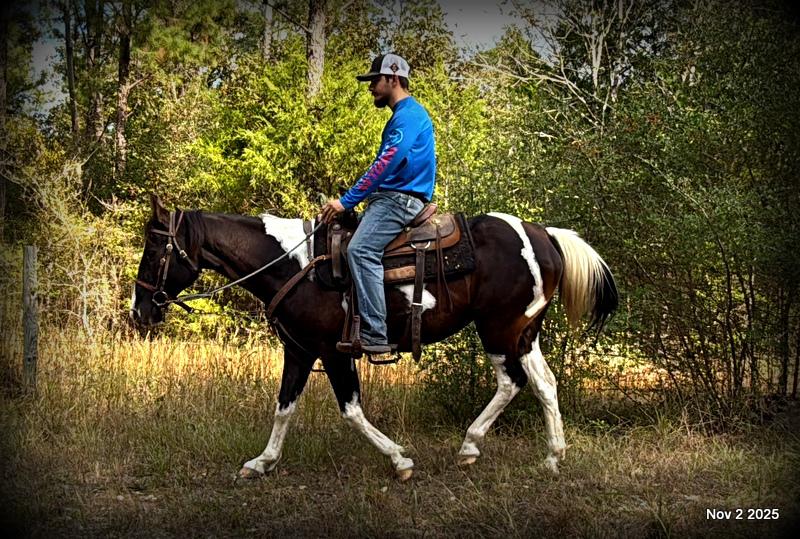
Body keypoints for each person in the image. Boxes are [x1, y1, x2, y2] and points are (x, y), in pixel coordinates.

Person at [320, 53, 437, 355]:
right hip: (392, 198)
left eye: (375, 80)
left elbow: (385, 163)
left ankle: (375, 333)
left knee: (361, 250)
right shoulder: (404, 116)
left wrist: (346, 202)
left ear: (393, 79)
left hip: (398, 201)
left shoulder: (409, 116)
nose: (370, 87)